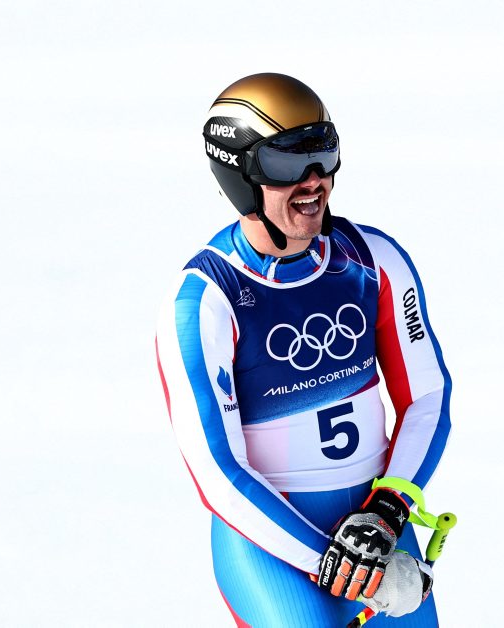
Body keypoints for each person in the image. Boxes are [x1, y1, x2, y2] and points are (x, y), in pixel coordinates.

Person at [155, 73, 451, 627]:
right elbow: (218, 471)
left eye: (324, 154)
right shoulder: (207, 300)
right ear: (240, 174)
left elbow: (427, 397)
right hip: (273, 547)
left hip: (374, 529)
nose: (314, 180)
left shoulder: (373, 260)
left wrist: (389, 510)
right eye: (288, 163)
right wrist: (337, 564)